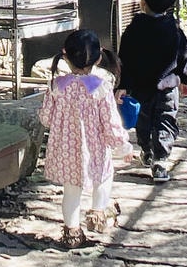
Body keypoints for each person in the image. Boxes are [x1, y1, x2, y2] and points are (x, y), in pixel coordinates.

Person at [39, 30, 131, 248]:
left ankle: (72, 232)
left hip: (65, 152)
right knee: (104, 178)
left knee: (71, 191)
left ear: (65, 56)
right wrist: (122, 146)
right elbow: (110, 123)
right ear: (99, 58)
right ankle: (97, 215)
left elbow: (45, 118)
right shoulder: (101, 88)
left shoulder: (56, 87)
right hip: (96, 150)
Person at [116, 0, 187, 184]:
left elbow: (124, 59)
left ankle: (147, 149)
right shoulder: (174, 30)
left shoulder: (133, 30)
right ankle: (161, 160)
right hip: (168, 87)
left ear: (143, 2)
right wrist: (186, 80)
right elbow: (184, 56)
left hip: (140, 88)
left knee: (144, 121)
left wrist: (123, 85)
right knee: (166, 120)